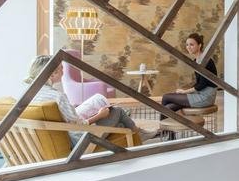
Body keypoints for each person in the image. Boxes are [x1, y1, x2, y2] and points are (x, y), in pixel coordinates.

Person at [25, 55, 156, 146]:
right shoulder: (58, 97)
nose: (63, 70)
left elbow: (68, 119)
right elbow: (78, 125)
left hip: (59, 135)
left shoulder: (30, 94)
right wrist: (99, 115)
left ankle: (135, 132)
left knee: (120, 123)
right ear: (52, 73)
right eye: (61, 68)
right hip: (79, 139)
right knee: (118, 111)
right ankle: (139, 134)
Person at [160, 33, 218, 118]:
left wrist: (184, 92)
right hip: (199, 94)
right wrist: (185, 91)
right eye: (187, 45)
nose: (188, 47)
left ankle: (164, 130)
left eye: (191, 44)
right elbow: (199, 83)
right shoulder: (196, 60)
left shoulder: (206, 61)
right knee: (170, 107)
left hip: (205, 97)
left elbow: (202, 85)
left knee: (166, 97)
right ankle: (167, 130)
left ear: (199, 45)